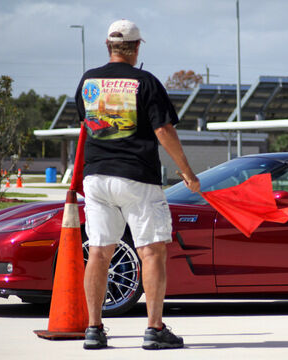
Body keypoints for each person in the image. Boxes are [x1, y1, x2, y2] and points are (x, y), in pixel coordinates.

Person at [75, 19, 200, 350]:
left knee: (100, 252)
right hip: (137, 178)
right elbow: (163, 130)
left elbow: (85, 127)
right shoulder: (145, 82)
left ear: (108, 46)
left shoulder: (88, 81)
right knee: (151, 250)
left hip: (97, 178)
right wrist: (186, 171)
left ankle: (93, 329)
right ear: (137, 47)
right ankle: (154, 329)